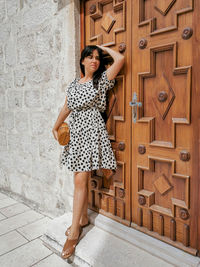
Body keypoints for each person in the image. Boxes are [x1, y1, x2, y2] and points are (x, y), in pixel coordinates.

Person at [52, 44, 125, 259]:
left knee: (80, 180)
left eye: (97, 58)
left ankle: (74, 232)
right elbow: (67, 107)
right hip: (76, 133)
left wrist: (102, 47)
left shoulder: (100, 81)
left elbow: (120, 59)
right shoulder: (74, 84)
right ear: (82, 60)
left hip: (92, 132)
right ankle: (82, 219)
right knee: (78, 177)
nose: (94, 60)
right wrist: (55, 126)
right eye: (89, 57)